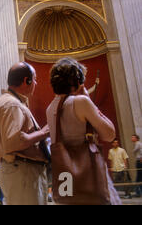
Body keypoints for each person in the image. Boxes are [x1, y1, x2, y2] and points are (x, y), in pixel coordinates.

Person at [46, 57, 121, 205]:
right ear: (77, 81)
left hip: (67, 182)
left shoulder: (50, 108)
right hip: (89, 176)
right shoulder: (81, 102)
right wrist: (88, 100)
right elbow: (109, 134)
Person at [0, 62, 50, 205]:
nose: (36, 83)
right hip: (23, 173)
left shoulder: (12, 103)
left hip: (23, 172)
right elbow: (13, 142)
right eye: (34, 79)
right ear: (26, 80)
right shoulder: (12, 104)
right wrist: (43, 133)